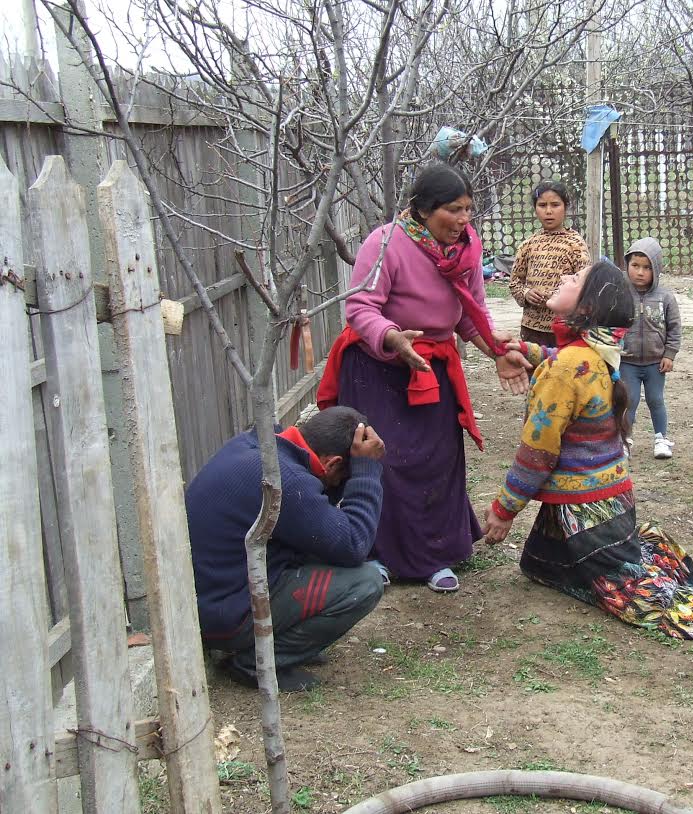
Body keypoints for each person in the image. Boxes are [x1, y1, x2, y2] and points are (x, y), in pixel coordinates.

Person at [481, 260, 693, 642]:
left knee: (636, 594)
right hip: (608, 501)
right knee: (539, 564)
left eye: (576, 278)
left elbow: (537, 454)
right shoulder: (593, 352)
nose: (565, 277)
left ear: (587, 307)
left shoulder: (568, 367)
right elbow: (562, 361)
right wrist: (522, 348)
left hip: (587, 511)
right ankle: (602, 560)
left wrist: (504, 511)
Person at [317, 163, 530, 594]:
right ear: (424, 209)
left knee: (437, 460)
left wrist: (495, 351)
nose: (464, 219)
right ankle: (376, 555)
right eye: (454, 209)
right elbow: (360, 309)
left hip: (432, 366)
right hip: (376, 366)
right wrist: (393, 338)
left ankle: (435, 555)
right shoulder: (386, 243)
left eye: (468, 209)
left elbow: (470, 312)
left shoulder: (468, 248)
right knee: (383, 459)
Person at [186, 406, 387, 692]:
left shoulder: (262, 445)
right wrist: (366, 472)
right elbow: (354, 544)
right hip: (227, 616)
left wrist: (342, 476)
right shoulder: (284, 481)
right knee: (365, 583)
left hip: (210, 598)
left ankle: (277, 641)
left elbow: (320, 526)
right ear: (332, 464)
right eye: (342, 477)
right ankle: (258, 663)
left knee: (323, 547)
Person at [620, 237, 681, 460]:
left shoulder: (665, 297)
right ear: (627, 265)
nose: (640, 272)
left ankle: (661, 439)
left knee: (656, 400)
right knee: (629, 401)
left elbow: (674, 328)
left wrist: (669, 354)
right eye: (635, 265)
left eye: (647, 267)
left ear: (656, 269)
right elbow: (610, 325)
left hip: (656, 363)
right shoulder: (620, 294)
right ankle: (624, 440)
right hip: (627, 361)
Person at [509, 180, 591, 347]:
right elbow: (515, 282)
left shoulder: (575, 244)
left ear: (566, 207)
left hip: (565, 328)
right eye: (542, 205)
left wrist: (558, 297)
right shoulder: (528, 245)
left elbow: (585, 284)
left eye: (555, 205)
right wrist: (526, 293)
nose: (548, 211)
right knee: (534, 363)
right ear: (535, 208)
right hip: (532, 328)